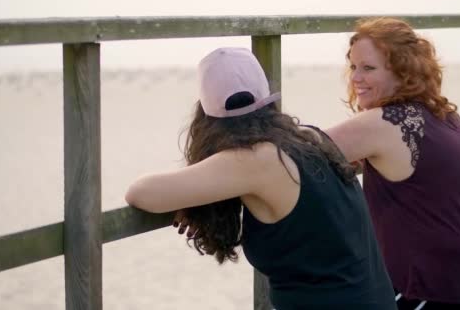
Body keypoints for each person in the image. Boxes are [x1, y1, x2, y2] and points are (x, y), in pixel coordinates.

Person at [125, 47, 397, 310]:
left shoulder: (255, 160)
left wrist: (189, 196)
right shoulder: (310, 137)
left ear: (206, 114)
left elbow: (141, 193)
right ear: (266, 97)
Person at [325, 17, 460, 310]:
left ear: (403, 72)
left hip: (441, 293)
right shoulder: (443, 114)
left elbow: (297, 152)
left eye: (369, 68)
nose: (356, 78)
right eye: (353, 67)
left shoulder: (386, 122)